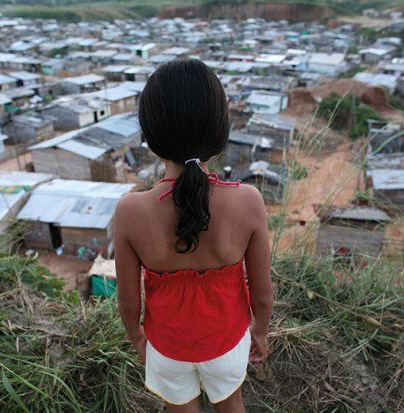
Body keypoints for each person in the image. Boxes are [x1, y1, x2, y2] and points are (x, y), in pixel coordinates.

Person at [114, 58, 273, 413]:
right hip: (228, 344)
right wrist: (259, 332)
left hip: (167, 349)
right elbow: (262, 294)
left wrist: (138, 339)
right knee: (232, 403)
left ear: (150, 137)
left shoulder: (130, 212)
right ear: (219, 131)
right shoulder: (248, 201)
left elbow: (128, 303)